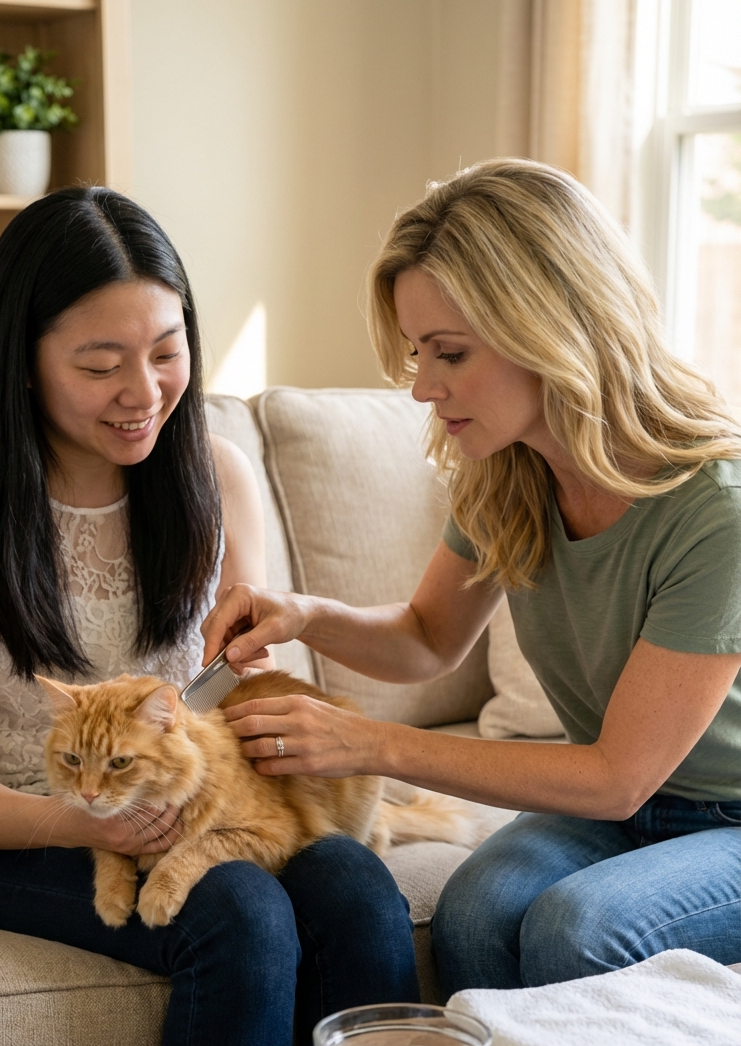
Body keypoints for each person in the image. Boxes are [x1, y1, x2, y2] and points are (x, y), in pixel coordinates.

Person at [0, 187, 419, 1046]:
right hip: (13, 832)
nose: (145, 393)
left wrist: (264, 715)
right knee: (239, 913)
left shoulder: (216, 474)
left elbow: (230, 690)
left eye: (167, 353)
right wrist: (91, 823)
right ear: (22, 360)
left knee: (357, 890)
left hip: (184, 798)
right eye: (101, 365)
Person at [201, 159, 741, 995]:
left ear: (552, 326)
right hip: (623, 813)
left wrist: (372, 744)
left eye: (449, 352)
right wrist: (303, 613)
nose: (421, 386)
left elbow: (616, 775)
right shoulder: (506, 472)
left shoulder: (716, 510)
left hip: (723, 819)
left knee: (581, 929)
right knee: (474, 911)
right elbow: (426, 638)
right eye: (418, 353)